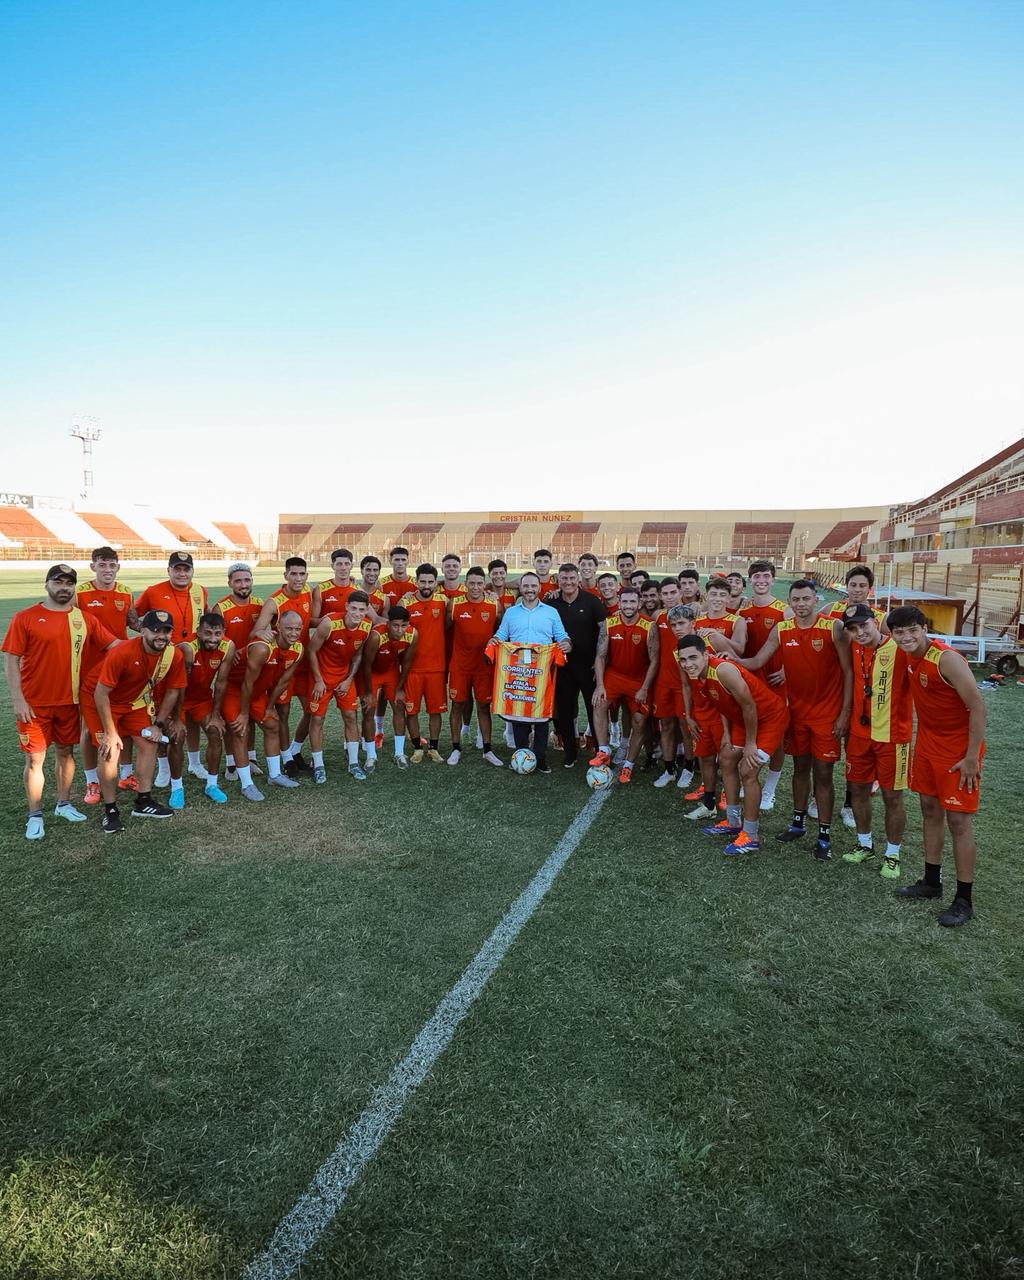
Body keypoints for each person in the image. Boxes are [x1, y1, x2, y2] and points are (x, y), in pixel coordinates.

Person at [3, 564, 116, 838]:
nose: (64, 588)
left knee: (66, 754)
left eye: (69, 583)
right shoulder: (26, 617)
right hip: (34, 705)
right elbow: (10, 659)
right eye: (58, 582)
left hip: (70, 703)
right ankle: (35, 815)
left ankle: (63, 804)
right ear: (47, 585)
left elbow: (114, 645)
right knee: (35, 760)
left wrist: (151, 647)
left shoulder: (83, 619)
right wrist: (18, 700)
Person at [741, 580, 852, 859]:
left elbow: (848, 671)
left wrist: (844, 714)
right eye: (796, 600)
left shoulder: (832, 627)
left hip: (827, 716)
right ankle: (798, 822)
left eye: (806, 599)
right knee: (800, 767)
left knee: (824, 773)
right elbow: (755, 662)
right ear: (789, 602)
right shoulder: (782, 629)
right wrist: (723, 658)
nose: (801, 604)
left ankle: (824, 834)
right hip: (797, 713)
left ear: (816, 599)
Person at [889, 606, 986, 927]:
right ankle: (932, 882)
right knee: (930, 811)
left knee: (959, 823)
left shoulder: (946, 659)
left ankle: (963, 899)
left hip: (957, 751)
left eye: (912, 630)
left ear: (923, 628)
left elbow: (977, 707)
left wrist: (972, 757)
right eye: (899, 632)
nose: (906, 637)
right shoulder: (907, 656)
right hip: (928, 746)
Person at [678, 635, 789, 855]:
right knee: (726, 760)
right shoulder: (696, 674)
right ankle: (732, 821)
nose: (688, 663)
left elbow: (749, 706)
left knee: (748, 770)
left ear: (705, 654)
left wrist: (750, 744)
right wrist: (727, 735)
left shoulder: (723, 670)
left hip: (769, 717)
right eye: (683, 660)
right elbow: (721, 703)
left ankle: (751, 835)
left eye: (693, 657)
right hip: (742, 720)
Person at [91, 609, 187, 832]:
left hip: (134, 702)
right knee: (110, 750)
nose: (161, 636)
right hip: (102, 699)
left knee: (149, 743)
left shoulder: (174, 655)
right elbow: (100, 693)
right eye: (155, 630)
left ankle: (143, 801)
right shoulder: (122, 652)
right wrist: (111, 731)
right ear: (142, 630)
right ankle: (110, 810)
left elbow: (173, 691)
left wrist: (158, 724)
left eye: (166, 631)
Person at [838, 604, 911, 880]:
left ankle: (892, 855)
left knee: (893, 796)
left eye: (863, 625)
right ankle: (864, 844)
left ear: (875, 622)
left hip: (893, 737)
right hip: (859, 735)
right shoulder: (854, 648)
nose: (860, 632)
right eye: (853, 629)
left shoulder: (900, 649)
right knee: (858, 790)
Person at [490, 572, 571, 772]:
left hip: (542, 672)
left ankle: (541, 758)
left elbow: (561, 635)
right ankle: (521, 755)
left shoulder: (551, 612)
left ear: (539, 588)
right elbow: (502, 635)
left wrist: (567, 643)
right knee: (519, 715)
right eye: (526, 586)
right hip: (517, 671)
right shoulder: (511, 613)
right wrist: (494, 641)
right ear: (521, 588)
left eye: (533, 586)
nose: (529, 590)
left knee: (541, 717)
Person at [76, 546, 134, 803]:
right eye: (102, 565)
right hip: (89, 669)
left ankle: (126, 774)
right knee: (90, 729)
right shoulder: (80, 593)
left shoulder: (125, 592)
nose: (107, 570)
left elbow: (132, 621)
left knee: (123, 724)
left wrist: (151, 631)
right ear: (93, 567)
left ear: (118, 567)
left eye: (112, 565)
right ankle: (92, 782)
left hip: (121, 668)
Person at [229, 610, 305, 799]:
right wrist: (244, 714)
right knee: (241, 731)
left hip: (256, 694)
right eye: (289, 628)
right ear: (277, 627)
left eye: (298, 629)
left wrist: (270, 706)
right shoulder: (263, 647)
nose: (293, 633)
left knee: (272, 725)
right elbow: (247, 682)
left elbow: (282, 682)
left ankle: (275, 775)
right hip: (235, 692)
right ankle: (247, 784)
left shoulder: (298, 649)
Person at [252, 557, 314, 775]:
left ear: (306, 576)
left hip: (304, 662)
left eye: (302, 574)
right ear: (286, 575)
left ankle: (295, 750)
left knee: (312, 710)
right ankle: (287, 758)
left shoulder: (308, 591)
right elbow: (256, 631)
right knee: (283, 712)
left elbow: (312, 620)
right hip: (284, 663)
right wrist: (263, 632)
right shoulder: (274, 602)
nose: (298, 578)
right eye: (293, 574)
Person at [589, 586, 657, 783]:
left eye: (632, 602)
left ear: (639, 603)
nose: (628, 605)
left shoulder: (649, 626)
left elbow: (654, 660)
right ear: (620, 602)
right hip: (615, 675)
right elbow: (600, 656)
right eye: (624, 602)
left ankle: (628, 765)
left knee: (639, 721)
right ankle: (603, 750)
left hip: (638, 679)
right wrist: (600, 685)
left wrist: (644, 688)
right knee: (599, 702)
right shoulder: (609, 624)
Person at [306, 591, 373, 782]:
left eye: (362, 610)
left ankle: (353, 763)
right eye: (354, 608)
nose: (357, 613)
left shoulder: (366, 626)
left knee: (351, 716)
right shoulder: (329, 623)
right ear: (346, 607)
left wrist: (349, 679)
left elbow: (357, 655)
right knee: (317, 720)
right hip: (321, 679)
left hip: (343, 678)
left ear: (367, 610)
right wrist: (318, 680)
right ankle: (318, 765)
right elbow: (311, 650)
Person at [168, 612, 234, 806]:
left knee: (215, 731)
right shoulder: (188, 649)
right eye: (207, 633)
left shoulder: (228, 647)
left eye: (217, 633)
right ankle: (177, 788)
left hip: (202, 699)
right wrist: (177, 719)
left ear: (223, 632)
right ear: (198, 632)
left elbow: (221, 683)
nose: (212, 639)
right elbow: (179, 685)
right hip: (177, 697)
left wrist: (215, 715)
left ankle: (212, 785)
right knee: (177, 736)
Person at [546, 562, 607, 768]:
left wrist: (599, 661)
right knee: (565, 709)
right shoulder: (551, 603)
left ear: (578, 579)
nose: (569, 582)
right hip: (563, 667)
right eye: (564, 579)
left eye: (572, 578)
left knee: (594, 709)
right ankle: (570, 751)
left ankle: (601, 750)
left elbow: (603, 633)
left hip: (588, 667)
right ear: (559, 580)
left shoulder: (592, 601)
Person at [738, 560, 788, 811]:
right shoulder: (742, 612)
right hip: (749, 680)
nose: (761, 580)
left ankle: (770, 788)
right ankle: (746, 780)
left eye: (766, 576)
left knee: (776, 739)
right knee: (750, 730)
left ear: (773, 579)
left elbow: (796, 644)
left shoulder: (785, 610)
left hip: (774, 682)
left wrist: (786, 670)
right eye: (756, 576)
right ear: (750, 580)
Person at [213, 562, 265, 782]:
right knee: (231, 718)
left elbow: (267, 630)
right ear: (230, 583)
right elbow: (214, 636)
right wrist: (229, 647)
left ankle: (250, 758)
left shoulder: (260, 604)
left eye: (247, 580)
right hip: (230, 672)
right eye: (238, 581)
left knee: (250, 717)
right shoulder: (221, 607)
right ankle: (231, 761)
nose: (244, 585)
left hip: (253, 672)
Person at [446, 568, 503, 766]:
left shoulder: (494, 604)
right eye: (472, 583)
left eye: (480, 583)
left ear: (484, 584)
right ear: (466, 583)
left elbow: (501, 629)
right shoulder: (455, 605)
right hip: (459, 666)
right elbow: (445, 629)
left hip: (484, 667)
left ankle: (487, 750)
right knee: (457, 706)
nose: (476, 587)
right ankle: (455, 748)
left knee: (483, 707)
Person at [399, 564, 449, 762]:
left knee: (435, 710)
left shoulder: (444, 601)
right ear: (416, 582)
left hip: (436, 667)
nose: (426, 585)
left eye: (430, 581)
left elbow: (448, 623)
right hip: (412, 668)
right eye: (423, 581)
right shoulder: (406, 603)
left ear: (436, 583)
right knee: (411, 710)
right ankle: (417, 747)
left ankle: (434, 748)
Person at [361, 606, 418, 767]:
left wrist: (399, 688)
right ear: (388, 624)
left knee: (399, 707)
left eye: (404, 625)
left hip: (391, 671)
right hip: (372, 673)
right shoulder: (376, 635)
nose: (400, 630)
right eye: (395, 625)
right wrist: (368, 692)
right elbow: (366, 665)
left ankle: (399, 753)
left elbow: (406, 664)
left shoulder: (413, 634)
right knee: (368, 709)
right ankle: (371, 755)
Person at [651, 579, 693, 789]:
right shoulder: (657, 617)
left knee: (686, 727)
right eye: (664, 593)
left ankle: (689, 767)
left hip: (685, 683)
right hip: (663, 682)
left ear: (680, 592)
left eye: (672, 592)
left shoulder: (691, 616)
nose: (669, 596)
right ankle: (668, 769)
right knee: (666, 726)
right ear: (660, 596)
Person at [134, 551, 207, 642]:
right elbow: (131, 617)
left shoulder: (201, 591)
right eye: (177, 569)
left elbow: (206, 615)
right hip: (165, 652)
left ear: (193, 571)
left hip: (194, 652)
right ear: (168, 570)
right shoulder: (153, 592)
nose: (182, 574)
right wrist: (149, 632)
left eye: (186, 570)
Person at [695, 578, 748, 657]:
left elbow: (740, 650)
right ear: (706, 596)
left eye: (722, 595)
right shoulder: (696, 620)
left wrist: (717, 636)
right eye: (713, 594)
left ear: (728, 598)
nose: (717, 599)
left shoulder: (737, 621)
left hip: (725, 666)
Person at [312, 548, 357, 622]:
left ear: (351, 566)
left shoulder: (358, 591)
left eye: (347, 564)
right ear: (332, 566)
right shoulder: (321, 589)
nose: (343, 568)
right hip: (328, 633)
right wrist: (329, 621)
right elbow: (311, 621)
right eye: (339, 564)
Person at [381, 546, 415, 611]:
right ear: (390, 561)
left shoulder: (417, 583)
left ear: (408, 561)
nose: (400, 563)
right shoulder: (381, 584)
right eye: (397, 560)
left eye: (403, 560)